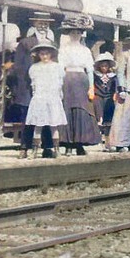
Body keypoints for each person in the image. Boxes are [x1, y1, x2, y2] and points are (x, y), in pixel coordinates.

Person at [7, 11, 55, 158]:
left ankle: (47, 148)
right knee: (28, 118)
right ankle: (24, 147)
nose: (43, 27)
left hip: (46, 87)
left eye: (45, 24)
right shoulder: (25, 43)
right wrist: (21, 88)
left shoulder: (52, 45)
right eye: (40, 23)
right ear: (34, 24)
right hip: (27, 87)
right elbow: (18, 67)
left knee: (46, 117)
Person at [57, 14, 101, 155]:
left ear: (82, 34)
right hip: (68, 80)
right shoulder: (63, 49)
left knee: (82, 110)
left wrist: (91, 88)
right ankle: (68, 144)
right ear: (68, 34)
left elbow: (90, 70)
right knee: (68, 110)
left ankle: (79, 144)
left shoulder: (85, 50)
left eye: (78, 32)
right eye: (72, 32)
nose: (75, 35)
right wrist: (59, 85)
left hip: (82, 80)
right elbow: (60, 68)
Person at [24, 40, 66, 159]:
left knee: (54, 125)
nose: (45, 56)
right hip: (40, 98)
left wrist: (58, 96)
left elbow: (59, 84)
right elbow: (34, 85)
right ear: (38, 55)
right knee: (38, 125)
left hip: (52, 97)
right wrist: (36, 95)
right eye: (42, 54)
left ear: (51, 54)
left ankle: (57, 150)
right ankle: (34, 151)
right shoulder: (34, 68)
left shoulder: (57, 67)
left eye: (47, 53)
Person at [92, 52, 117, 151]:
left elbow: (115, 87)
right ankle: (99, 141)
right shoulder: (96, 75)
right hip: (98, 97)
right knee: (99, 118)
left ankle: (108, 142)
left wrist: (116, 94)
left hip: (109, 98)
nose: (104, 68)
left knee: (108, 120)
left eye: (106, 66)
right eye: (102, 66)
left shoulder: (113, 76)